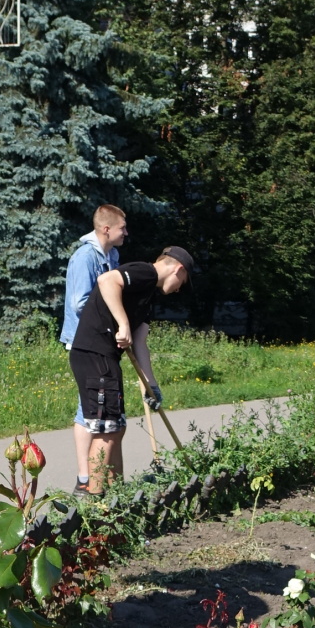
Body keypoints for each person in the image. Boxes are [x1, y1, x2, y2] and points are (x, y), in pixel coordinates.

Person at [69, 246, 194, 495]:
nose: (179, 288)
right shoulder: (146, 272)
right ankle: (95, 500)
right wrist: (123, 323)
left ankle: (117, 493)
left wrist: (152, 385)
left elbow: (140, 342)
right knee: (106, 428)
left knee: (117, 426)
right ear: (178, 269)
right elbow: (107, 280)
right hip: (94, 354)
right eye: (183, 282)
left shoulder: (149, 294)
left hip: (106, 358)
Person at [60, 205, 128, 494]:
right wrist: (113, 319)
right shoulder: (85, 257)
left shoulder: (111, 256)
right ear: (106, 229)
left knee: (88, 409)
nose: (126, 232)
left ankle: (94, 479)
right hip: (84, 342)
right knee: (86, 411)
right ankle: (85, 478)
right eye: (123, 227)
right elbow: (79, 302)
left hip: (102, 342)